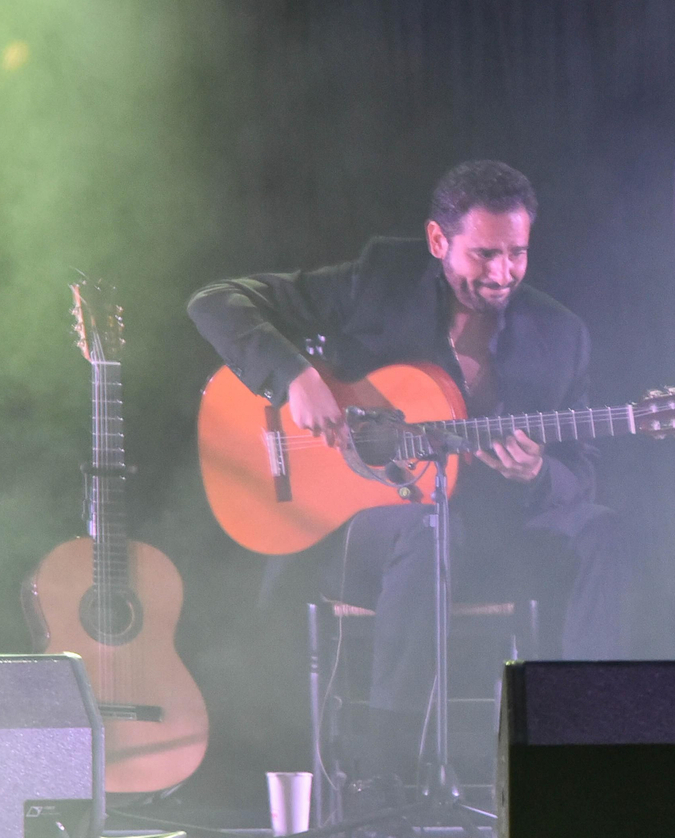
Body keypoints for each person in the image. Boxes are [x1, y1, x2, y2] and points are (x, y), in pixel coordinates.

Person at [188, 160, 626, 797]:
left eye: (517, 254)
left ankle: (592, 755)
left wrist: (537, 472)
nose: (502, 273)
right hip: (358, 539)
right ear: (437, 241)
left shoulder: (561, 336)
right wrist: (295, 377)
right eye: (484, 254)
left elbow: (582, 473)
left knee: (603, 532)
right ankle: (385, 773)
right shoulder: (380, 279)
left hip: (491, 541)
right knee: (429, 526)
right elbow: (214, 302)